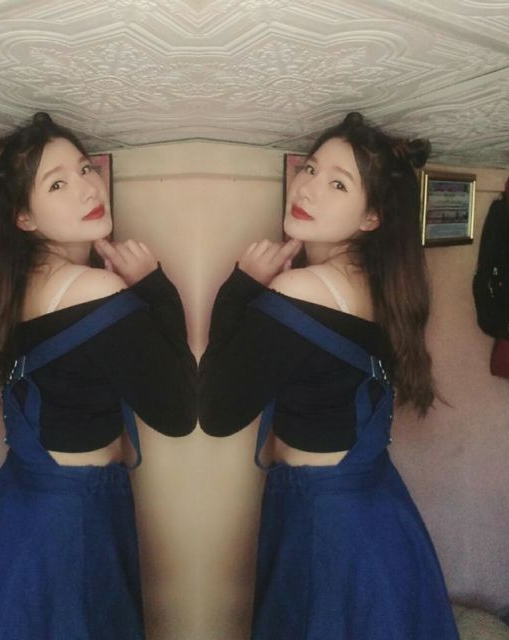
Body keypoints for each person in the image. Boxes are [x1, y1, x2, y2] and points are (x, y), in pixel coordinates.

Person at [199, 112, 460, 639]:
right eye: (311, 169)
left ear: (372, 218)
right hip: (378, 509)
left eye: (338, 184)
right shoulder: (386, 290)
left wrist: (241, 287)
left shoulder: (302, 290)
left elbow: (217, 413)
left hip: (326, 523)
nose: (309, 188)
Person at [0, 112, 196, 640]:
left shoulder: (9, 288)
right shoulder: (94, 290)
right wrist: (154, 287)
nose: (86, 188)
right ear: (24, 218)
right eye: (57, 184)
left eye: (84, 169)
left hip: (17, 508)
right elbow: (178, 412)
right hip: (68, 522)